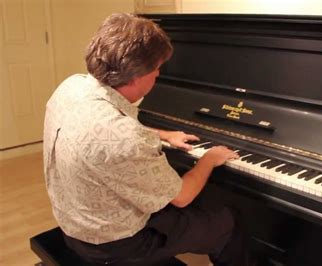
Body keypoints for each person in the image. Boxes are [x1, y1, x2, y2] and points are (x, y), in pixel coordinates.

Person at [43, 13, 250, 266]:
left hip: (76, 225)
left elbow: (103, 137)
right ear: (136, 76)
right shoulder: (124, 137)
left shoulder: (71, 87)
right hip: (116, 246)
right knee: (229, 222)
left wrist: (164, 135)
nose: (159, 74)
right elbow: (182, 196)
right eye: (156, 68)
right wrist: (208, 159)